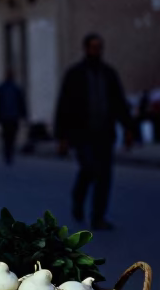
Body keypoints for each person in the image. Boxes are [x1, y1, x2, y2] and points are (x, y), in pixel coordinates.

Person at [54, 33, 133, 230]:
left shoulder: (108, 74)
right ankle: (78, 198)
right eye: (93, 47)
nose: (96, 51)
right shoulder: (75, 75)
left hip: (105, 134)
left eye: (100, 47)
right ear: (86, 49)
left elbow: (119, 103)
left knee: (104, 176)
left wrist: (129, 129)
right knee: (89, 168)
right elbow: (64, 106)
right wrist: (62, 137)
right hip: (82, 134)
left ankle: (98, 217)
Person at [0, 71, 27, 165]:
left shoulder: (2, 88)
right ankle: (9, 152)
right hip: (12, 117)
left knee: (7, 136)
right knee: (11, 136)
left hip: (5, 117)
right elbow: (22, 103)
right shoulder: (15, 89)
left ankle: (8, 152)